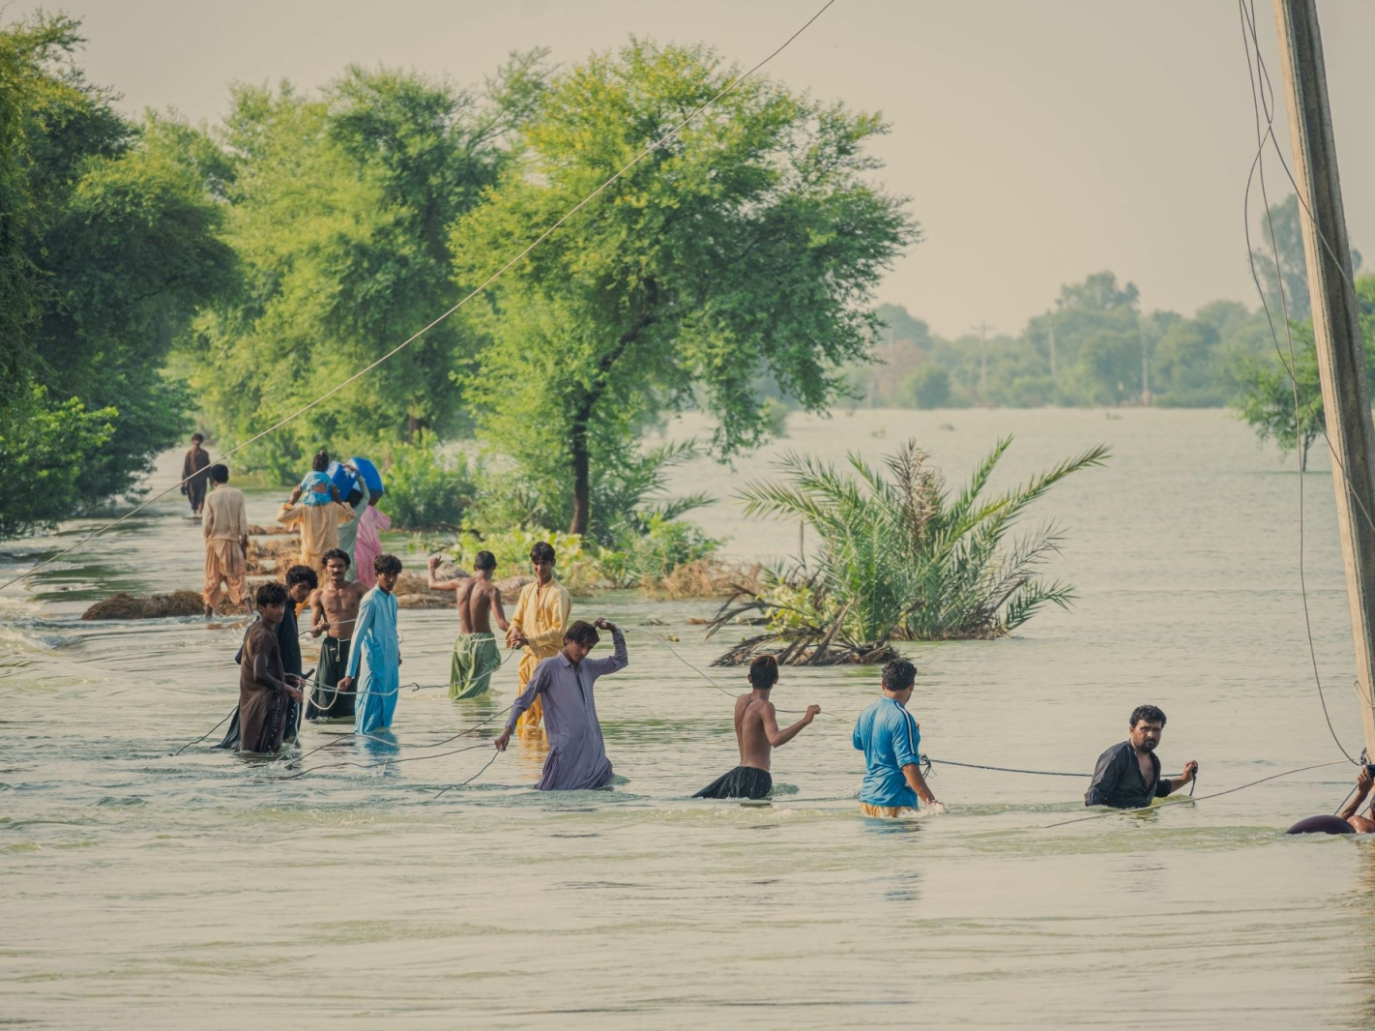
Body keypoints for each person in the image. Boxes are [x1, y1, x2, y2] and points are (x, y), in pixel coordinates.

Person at [493, 619, 628, 790]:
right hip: (566, 754)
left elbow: (620, 660)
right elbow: (523, 700)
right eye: (581, 645)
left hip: (593, 754)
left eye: (589, 648)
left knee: (599, 798)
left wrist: (614, 630)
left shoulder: (588, 667)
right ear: (567, 640)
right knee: (554, 795)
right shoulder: (549, 666)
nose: (584, 652)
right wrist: (508, 730)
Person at [693, 655, 820, 800]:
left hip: (738, 775)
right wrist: (805, 720)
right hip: (757, 776)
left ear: (749, 678)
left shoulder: (741, 701)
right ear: (775, 680)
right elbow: (774, 739)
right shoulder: (766, 707)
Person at [220, 565, 317, 749]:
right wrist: (285, 684)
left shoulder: (287, 611)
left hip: (283, 686)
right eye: (302, 587)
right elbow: (248, 660)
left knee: (276, 743)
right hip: (273, 692)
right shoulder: (269, 624)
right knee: (271, 744)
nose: (305, 593)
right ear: (290, 585)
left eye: (309, 589)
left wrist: (293, 676)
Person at [852, 659, 939, 818]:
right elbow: (908, 766)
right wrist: (932, 803)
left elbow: (858, 743)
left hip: (867, 802)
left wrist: (909, 735)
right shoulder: (902, 717)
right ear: (912, 685)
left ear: (883, 685)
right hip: (894, 801)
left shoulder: (867, 712)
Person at [506, 542, 571, 732]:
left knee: (548, 714)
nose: (539, 568)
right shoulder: (527, 590)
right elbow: (516, 619)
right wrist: (515, 631)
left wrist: (529, 640)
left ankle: (544, 749)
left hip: (551, 662)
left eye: (544, 563)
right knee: (525, 714)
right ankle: (529, 750)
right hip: (528, 660)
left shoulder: (559, 593)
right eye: (536, 563)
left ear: (553, 563)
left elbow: (558, 630)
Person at [429, 550, 510, 700]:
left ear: (474, 567)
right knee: (477, 691)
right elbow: (501, 623)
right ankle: (478, 715)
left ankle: (461, 714)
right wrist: (523, 633)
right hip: (482, 644)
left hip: (461, 643)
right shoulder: (491, 590)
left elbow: (432, 584)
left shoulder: (459, 582)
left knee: (460, 689)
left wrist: (432, 568)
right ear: (494, 567)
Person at [1084, 704, 1198, 808]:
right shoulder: (1116, 756)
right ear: (1132, 730)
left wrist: (1185, 778)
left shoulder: (1154, 761)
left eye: (1156, 730)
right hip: (1118, 819)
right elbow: (1094, 794)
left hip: (1142, 820)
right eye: (1145, 729)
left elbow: (1155, 790)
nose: (1151, 735)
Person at [237, 582, 305, 754]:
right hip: (264, 707)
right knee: (266, 756)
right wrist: (290, 689)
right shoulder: (264, 636)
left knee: (255, 757)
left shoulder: (257, 628)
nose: (280, 611)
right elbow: (259, 674)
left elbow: (265, 670)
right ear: (261, 608)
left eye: (281, 605)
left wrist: (290, 677)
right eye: (274, 606)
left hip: (253, 705)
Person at [338, 553, 403, 735]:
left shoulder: (392, 599)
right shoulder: (370, 600)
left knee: (386, 716)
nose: (391, 579)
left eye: (394, 575)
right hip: (374, 668)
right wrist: (349, 674)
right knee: (367, 721)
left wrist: (397, 652)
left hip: (390, 667)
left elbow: (392, 629)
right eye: (387, 575)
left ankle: (385, 752)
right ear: (377, 575)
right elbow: (357, 637)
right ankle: (364, 750)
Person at [306, 548, 367, 720]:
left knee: (351, 690)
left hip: (353, 646)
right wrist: (320, 628)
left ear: (346, 567)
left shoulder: (358, 588)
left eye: (340, 566)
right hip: (330, 646)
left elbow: (378, 605)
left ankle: (350, 727)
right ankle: (326, 728)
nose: (336, 570)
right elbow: (313, 632)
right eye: (332, 566)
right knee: (326, 691)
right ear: (325, 568)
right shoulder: (319, 595)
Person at [276, 473, 355, 572]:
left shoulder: (303, 509)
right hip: (330, 563)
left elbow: (281, 517)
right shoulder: (334, 507)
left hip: (310, 561)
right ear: (327, 487)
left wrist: (292, 500)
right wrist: (337, 498)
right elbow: (350, 515)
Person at [202, 464, 252, 618]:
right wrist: (243, 547)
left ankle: (207, 618)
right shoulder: (238, 494)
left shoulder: (211, 496)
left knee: (211, 582)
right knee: (239, 581)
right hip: (233, 543)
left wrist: (208, 543)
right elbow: (243, 525)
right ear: (227, 477)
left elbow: (206, 526)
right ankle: (252, 615)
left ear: (213, 479)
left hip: (215, 544)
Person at [333, 462, 370, 581]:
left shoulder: (330, 515)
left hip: (331, 565)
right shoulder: (354, 514)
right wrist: (358, 476)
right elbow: (366, 496)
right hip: (348, 566)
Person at [354, 494, 391, 590]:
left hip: (353, 554)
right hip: (371, 554)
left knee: (356, 584)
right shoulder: (370, 510)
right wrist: (372, 506)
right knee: (372, 585)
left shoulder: (347, 509)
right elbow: (386, 525)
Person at [181, 433, 212, 516]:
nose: (197, 442)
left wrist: (211, 480)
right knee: (193, 497)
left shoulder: (204, 454)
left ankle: (200, 513)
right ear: (192, 441)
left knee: (201, 497)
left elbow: (208, 468)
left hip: (202, 479)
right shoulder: (189, 454)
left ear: (201, 442)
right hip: (192, 480)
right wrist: (183, 483)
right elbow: (185, 469)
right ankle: (194, 512)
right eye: (195, 440)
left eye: (199, 440)